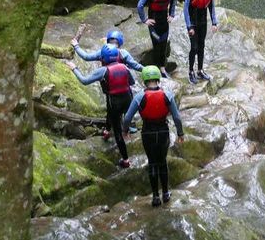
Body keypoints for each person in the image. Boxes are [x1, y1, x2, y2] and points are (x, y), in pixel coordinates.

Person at [122, 66, 185, 207]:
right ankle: (166, 193)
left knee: (152, 162)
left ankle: (156, 196)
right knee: (162, 161)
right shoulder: (167, 95)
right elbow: (177, 117)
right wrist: (180, 133)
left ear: (144, 80)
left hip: (148, 132)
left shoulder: (139, 97)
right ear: (158, 78)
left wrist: (125, 131)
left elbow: (127, 118)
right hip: (163, 131)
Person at [65, 45, 135, 168]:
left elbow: (85, 80)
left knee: (117, 131)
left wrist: (74, 68)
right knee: (121, 118)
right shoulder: (125, 67)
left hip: (114, 101)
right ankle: (114, 131)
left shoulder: (103, 71)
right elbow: (132, 82)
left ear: (103, 58)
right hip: (128, 98)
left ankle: (126, 160)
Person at [71, 31, 143, 137]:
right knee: (128, 108)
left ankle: (109, 129)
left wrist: (76, 47)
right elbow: (135, 67)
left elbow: (86, 57)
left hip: (111, 90)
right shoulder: (123, 54)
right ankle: (130, 127)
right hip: (125, 88)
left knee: (111, 110)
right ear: (120, 42)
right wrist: (147, 70)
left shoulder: (102, 54)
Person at [137, 0, 176, 78]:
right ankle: (156, 67)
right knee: (157, 44)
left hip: (164, 24)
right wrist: (145, 20)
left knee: (163, 46)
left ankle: (162, 68)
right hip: (153, 25)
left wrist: (172, 14)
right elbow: (140, 5)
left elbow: (173, 1)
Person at [183, 0, 218, 84]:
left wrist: (214, 22)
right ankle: (190, 72)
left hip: (203, 23)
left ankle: (200, 70)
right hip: (193, 24)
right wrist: (189, 26)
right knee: (194, 48)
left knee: (202, 47)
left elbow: (211, 7)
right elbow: (186, 10)